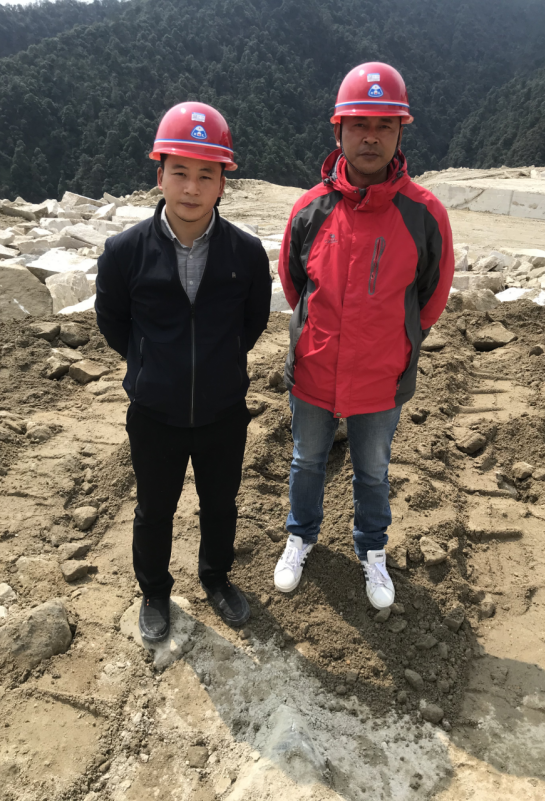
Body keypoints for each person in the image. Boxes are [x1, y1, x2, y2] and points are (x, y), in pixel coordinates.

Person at [274, 63, 454, 609]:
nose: (370, 136)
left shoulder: (423, 214)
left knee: (372, 470)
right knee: (307, 460)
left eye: (383, 125)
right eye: (358, 124)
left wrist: (399, 342)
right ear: (338, 131)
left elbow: (432, 294)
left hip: (381, 376)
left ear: (400, 132)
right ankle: (300, 536)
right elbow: (294, 283)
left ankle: (372, 549)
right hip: (315, 368)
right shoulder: (310, 209)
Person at [96, 102, 271, 640]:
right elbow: (114, 323)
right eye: (180, 172)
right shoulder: (124, 252)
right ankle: (154, 592)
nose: (191, 188)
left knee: (220, 504)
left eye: (205, 175)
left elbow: (253, 322)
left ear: (223, 184)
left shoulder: (246, 253)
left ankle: (216, 578)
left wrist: (218, 366)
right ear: (160, 176)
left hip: (223, 410)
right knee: (154, 509)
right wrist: (153, 367)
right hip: (155, 411)